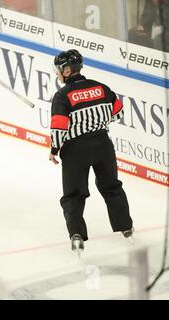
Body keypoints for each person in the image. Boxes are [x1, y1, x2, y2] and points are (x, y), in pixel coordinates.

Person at [49, 49, 134, 257]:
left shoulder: (62, 96)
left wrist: (54, 149)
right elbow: (119, 111)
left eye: (58, 70)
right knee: (112, 186)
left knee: (73, 195)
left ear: (67, 70)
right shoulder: (101, 88)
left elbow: (59, 127)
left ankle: (77, 235)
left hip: (75, 149)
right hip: (103, 145)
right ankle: (126, 228)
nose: (57, 74)